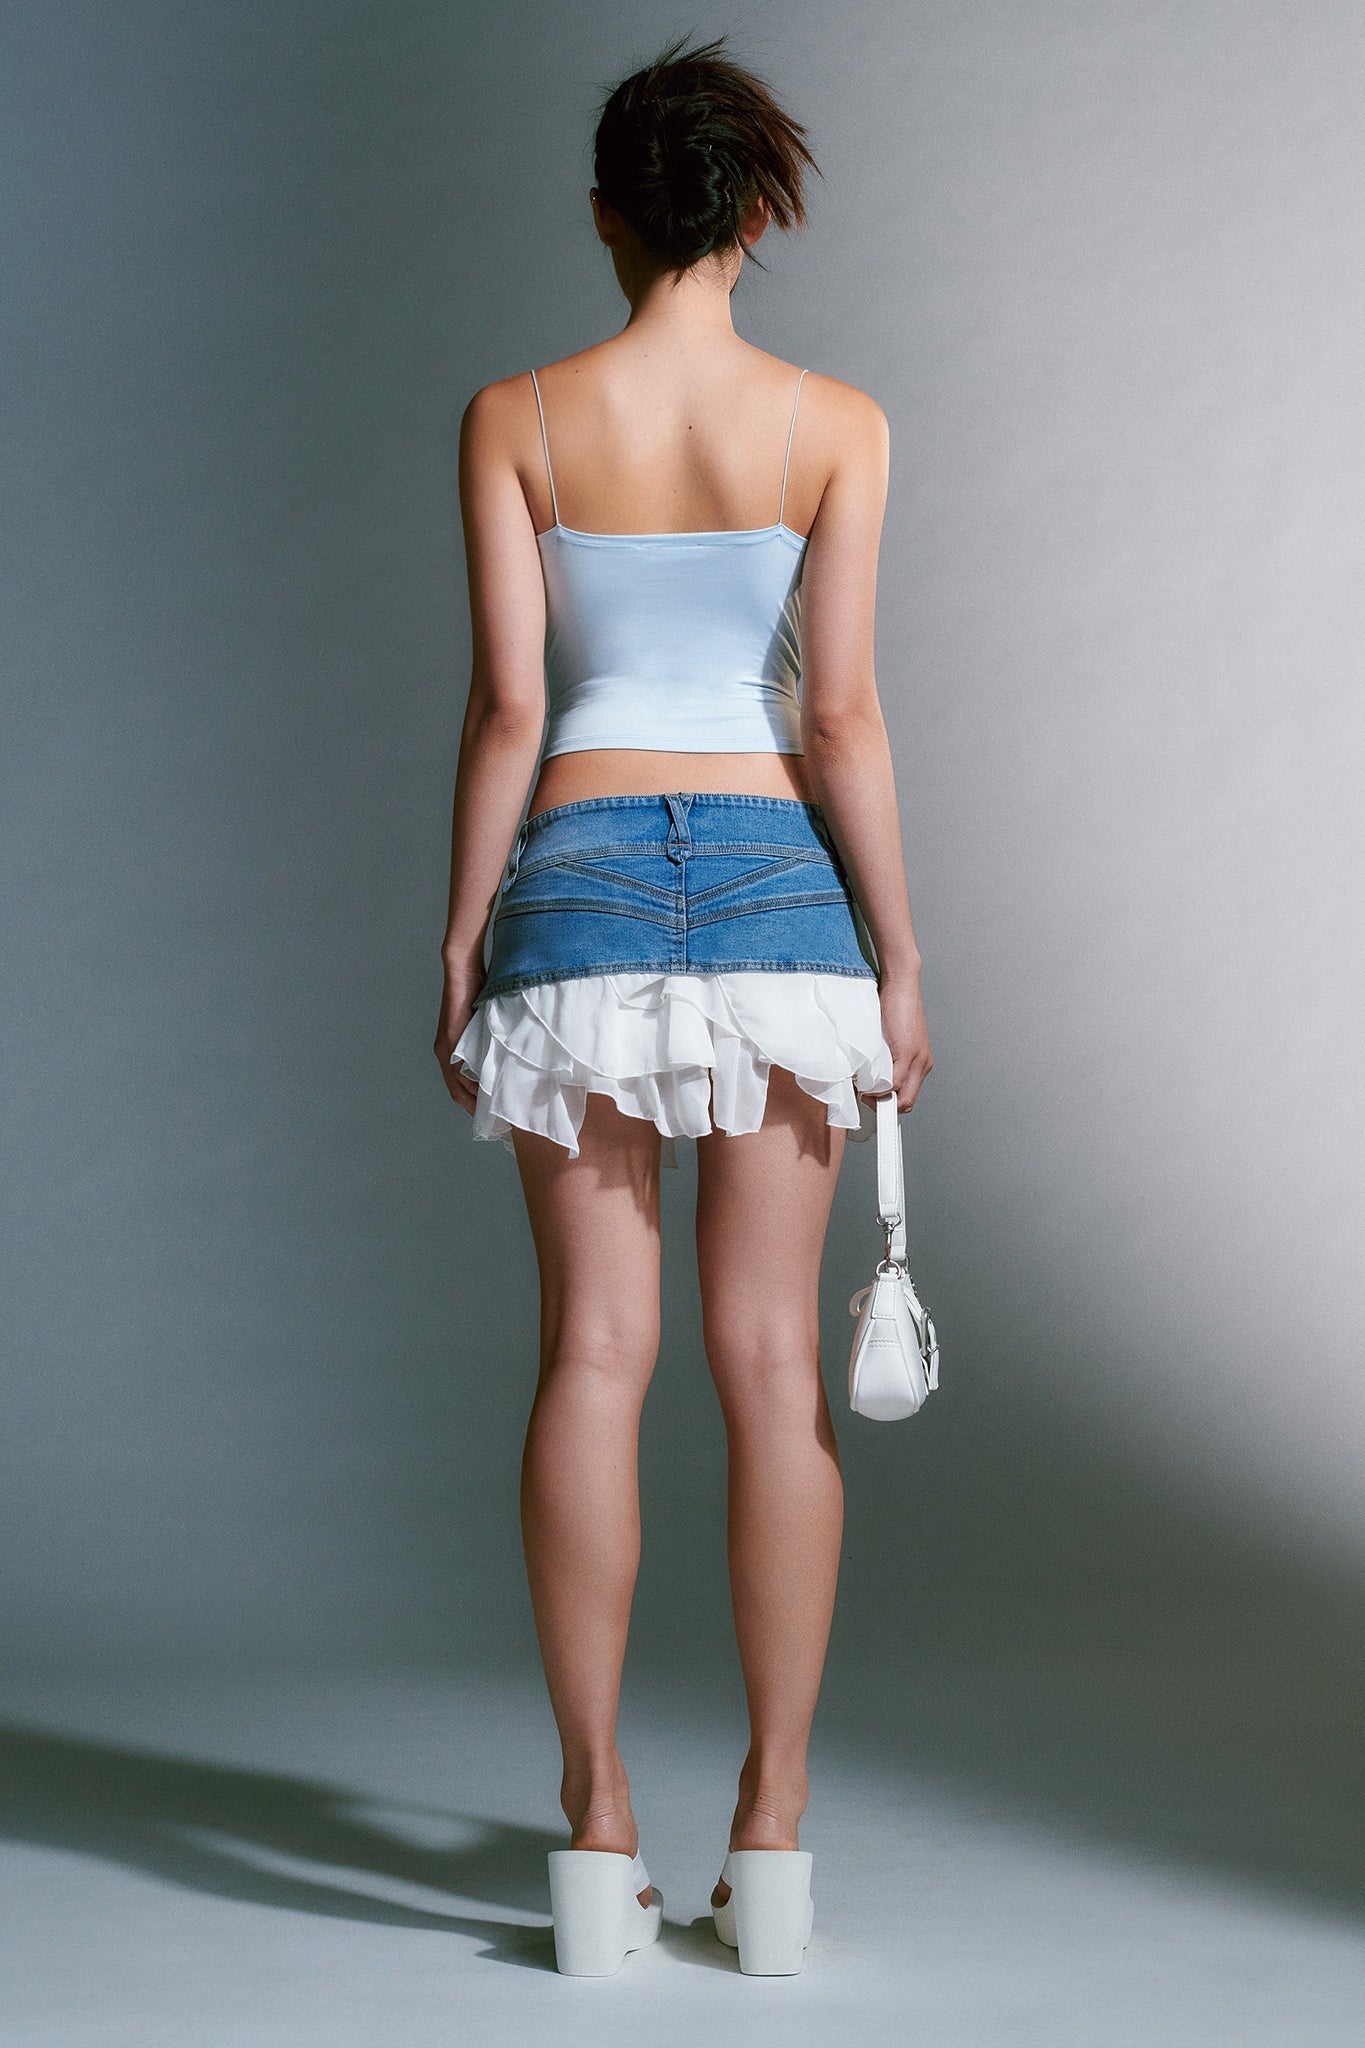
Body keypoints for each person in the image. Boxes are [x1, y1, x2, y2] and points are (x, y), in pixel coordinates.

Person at [434, 34, 931, 1976]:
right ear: (757, 212)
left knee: (591, 1361)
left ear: (605, 215)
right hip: (771, 881)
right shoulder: (835, 422)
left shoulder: (514, 413)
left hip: (566, 872)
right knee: (766, 1375)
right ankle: (774, 1845)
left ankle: (592, 1842)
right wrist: (896, 956)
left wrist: (464, 932)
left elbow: (505, 706)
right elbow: (839, 714)